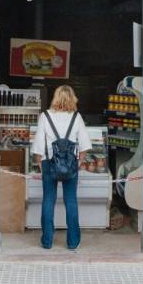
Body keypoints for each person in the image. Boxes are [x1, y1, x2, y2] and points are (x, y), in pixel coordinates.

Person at [32, 85, 92, 250]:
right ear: (73, 98)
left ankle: (47, 241)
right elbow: (85, 145)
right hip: (71, 163)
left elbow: (38, 144)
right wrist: (79, 161)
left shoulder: (45, 116)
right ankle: (73, 242)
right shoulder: (76, 117)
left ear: (55, 98)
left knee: (48, 200)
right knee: (71, 200)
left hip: (48, 161)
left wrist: (40, 161)